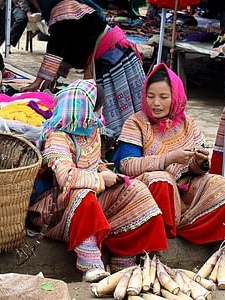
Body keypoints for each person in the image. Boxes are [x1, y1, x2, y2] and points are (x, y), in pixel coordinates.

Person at [29, 79, 167, 282]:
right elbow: (66, 177)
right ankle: (90, 263)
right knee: (82, 193)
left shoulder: (92, 132)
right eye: (99, 108)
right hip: (56, 205)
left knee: (136, 189)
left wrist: (108, 173)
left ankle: (124, 257)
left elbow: (95, 163)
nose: (101, 113)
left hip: (93, 196)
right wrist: (100, 178)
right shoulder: (58, 137)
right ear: (86, 110)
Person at [114, 63, 225, 245]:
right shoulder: (136, 123)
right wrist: (168, 159)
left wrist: (199, 162)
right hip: (146, 190)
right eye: (150, 96)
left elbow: (197, 169)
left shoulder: (188, 123)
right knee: (162, 180)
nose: (156, 103)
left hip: (184, 190)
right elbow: (127, 165)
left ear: (175, 97)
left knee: (221, 185)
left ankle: (203, 235)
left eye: (164, 97)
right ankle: (159, 238)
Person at [22, 0, 145, 143]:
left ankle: (127, 143)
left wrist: (38, 82)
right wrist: (49, 77)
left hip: (113, 58)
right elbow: (67, 47)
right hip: (113, 54)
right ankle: (128, 141)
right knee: (128, 107)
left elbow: (55, 48)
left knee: (118, 110)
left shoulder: (62, 9)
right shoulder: (67, 9)